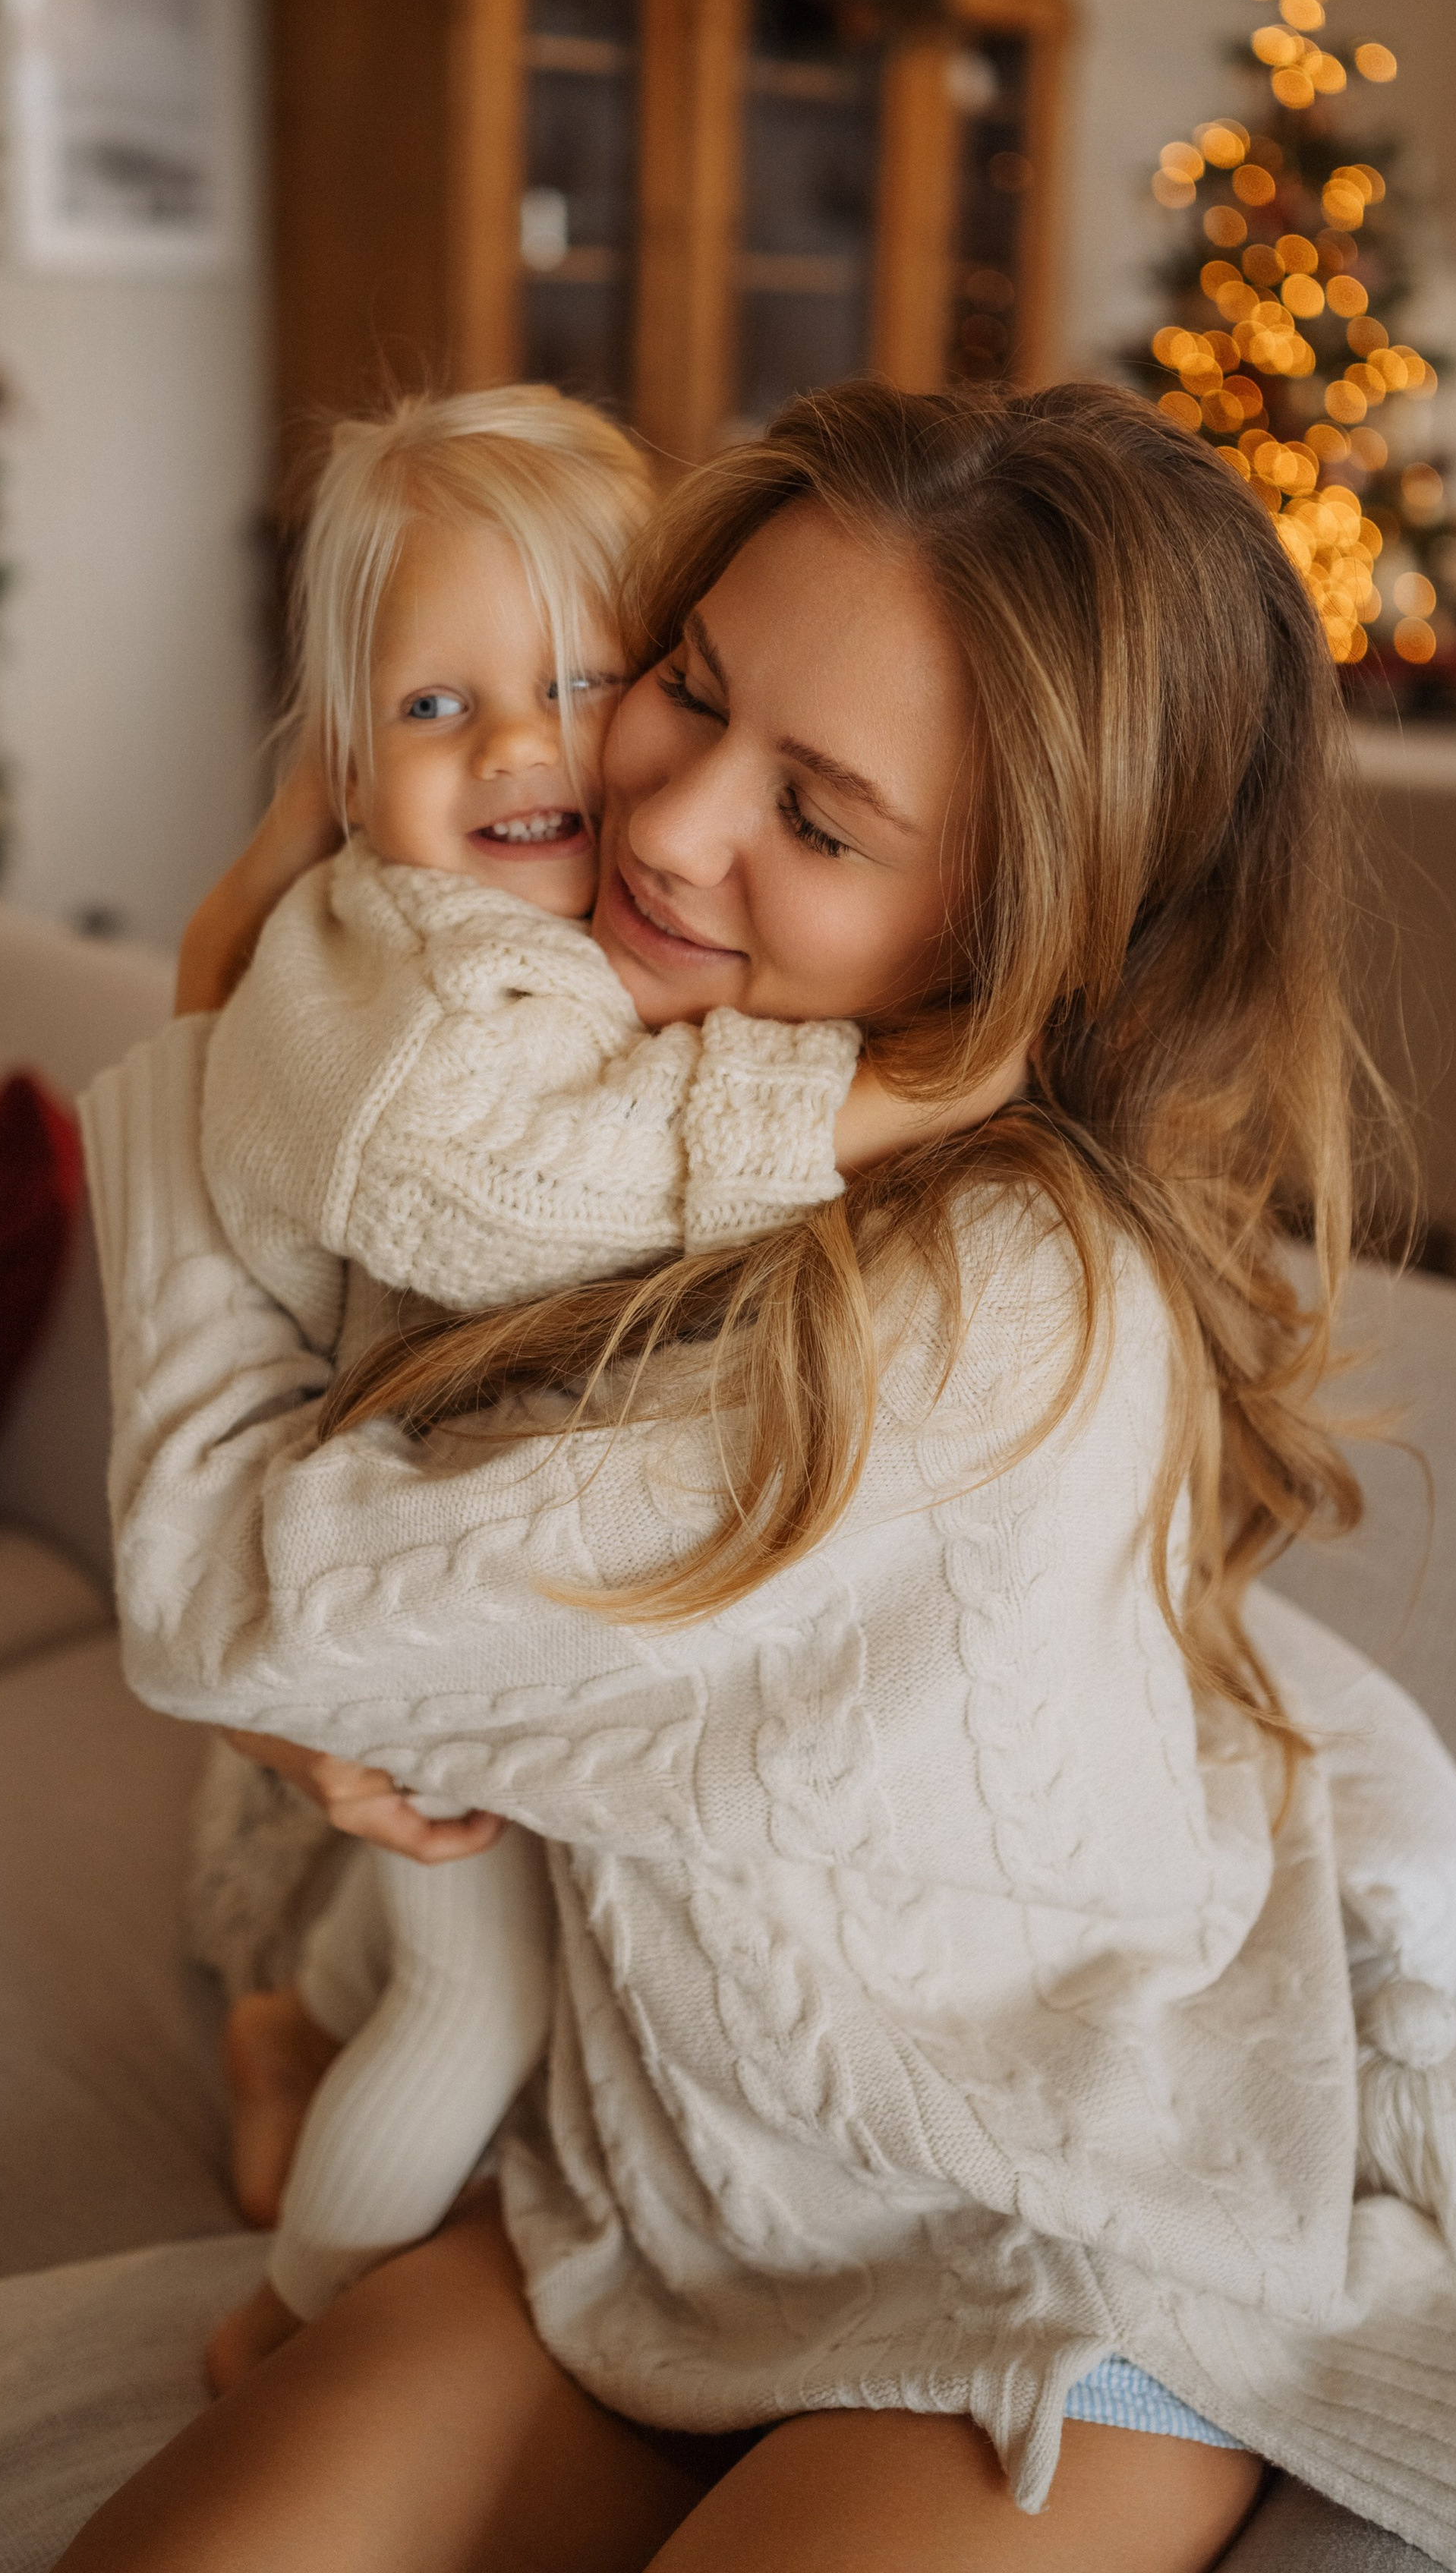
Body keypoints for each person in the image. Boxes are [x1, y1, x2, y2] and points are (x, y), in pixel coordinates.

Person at [68, 382, 1456, 2573]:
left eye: (821, 810)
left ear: (1026, 933)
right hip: (657, 2191)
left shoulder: (997, 1305)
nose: (666, 824)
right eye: (679, 686)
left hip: (1048, 2248)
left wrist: (213, 1036)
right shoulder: (622, 1110)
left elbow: (233, 1597)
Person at [192, 381, 950, 2392]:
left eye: (589, 677)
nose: (526, 742)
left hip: (438, 1575)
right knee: (473, 2012)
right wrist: (906, 1089)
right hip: (417, 1590)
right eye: (437, 710)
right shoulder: (434, 976)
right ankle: (288, 2324)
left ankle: (274, 2023)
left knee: (412, 1908)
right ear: (348, 767)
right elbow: (535, 1175)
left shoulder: (529, 929)